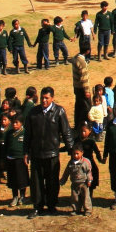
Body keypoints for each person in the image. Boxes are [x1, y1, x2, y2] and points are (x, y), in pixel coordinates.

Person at [24, 86, 73, 218]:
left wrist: (71, 149)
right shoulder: (33, 113)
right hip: (36, 153)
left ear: (52, 98)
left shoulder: (59, 111)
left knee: (52, 181)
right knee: (36, 181)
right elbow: (28, 134)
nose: (44, 100)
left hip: (52, 153)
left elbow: (66, 131)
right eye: (42, 98)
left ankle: (51, 205)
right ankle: (37, 207)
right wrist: (26, 152)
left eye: (46, 98)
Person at [61, 144, 94, 216]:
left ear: (82, 153)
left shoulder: (85, 162)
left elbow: (89, 172)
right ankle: (75, 209)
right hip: (74, 183)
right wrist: (63, 180)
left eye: (77, 154)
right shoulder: (71, 163)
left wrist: (89, 180)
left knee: (86, 197)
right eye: (74, 154)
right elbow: (66, 172)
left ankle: (88, 210)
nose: (75, 156)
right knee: (74, 198)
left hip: (84, 183)